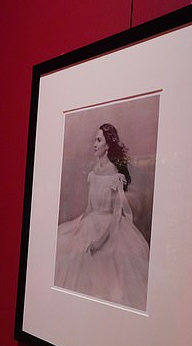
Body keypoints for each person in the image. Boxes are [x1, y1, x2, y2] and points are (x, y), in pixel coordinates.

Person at [54, 123, 150, 311]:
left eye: (99, 140)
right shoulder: (93, 173)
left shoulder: (115, 174)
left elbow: (116, 215)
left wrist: (100, 241)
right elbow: (89, 208)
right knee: (68, 249)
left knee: (106, 272)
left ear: (108, 146)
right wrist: (77, 231)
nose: (94, 144)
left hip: (110, 228)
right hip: (90, 223)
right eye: (94, 140)